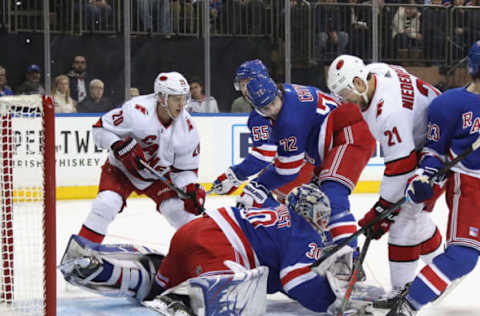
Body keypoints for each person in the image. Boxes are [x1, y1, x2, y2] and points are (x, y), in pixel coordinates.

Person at [60, 184, 383, 315]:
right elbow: (295, 281)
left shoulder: (279, 209)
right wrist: (333, 302)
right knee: (240, 293)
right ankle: (183, 300)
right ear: (308, 214)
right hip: (220, 250)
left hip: (193, 231)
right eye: (320, 216)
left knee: (155, 283)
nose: (323, 223)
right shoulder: (304, 233)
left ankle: (103, 268)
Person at [327, 54, 444, 305]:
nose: (344, 101)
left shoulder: (387, 111)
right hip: (432, 139)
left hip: (438, 149)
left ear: (359, 83)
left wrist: (382, 211)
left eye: (345, 94)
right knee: (415, 216)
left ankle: (400, 294)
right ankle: (442, 269)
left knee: (403, 221)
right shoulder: (375, 71)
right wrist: (383, 210)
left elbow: (402, 166)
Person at [218, 66, 376, 249]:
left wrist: (257, 185)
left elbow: (287, 170)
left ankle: (349, 257)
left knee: (332, 196)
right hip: (329, 146)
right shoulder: (286, 92)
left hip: (348, 134)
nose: (271, 109)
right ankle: (326, 248)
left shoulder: (289, 120)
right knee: (307, 205)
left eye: (272, 103)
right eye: (265, 108)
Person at [385, 41, 480, 316]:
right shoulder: (449, 104)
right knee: (462, 257)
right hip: (472, 185)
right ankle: (408, 304)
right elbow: (434, 150)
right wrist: (423, 176)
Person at [76, 72, 205, 244]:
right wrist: (117, 146)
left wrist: (190, 188)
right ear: (162, 98)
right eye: (176, 99)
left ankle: (200, 258)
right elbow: (100, 129)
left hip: (158, 176)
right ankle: (81, 255)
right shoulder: (136, 110)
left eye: (184, 98)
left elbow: (185, 170)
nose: (181, 104)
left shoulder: (188, 128)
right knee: (106, 204)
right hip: (122, 170)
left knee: (179, 213)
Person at [212, 59, 315, 206]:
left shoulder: (259, 116)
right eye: (241, 85)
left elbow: (263, 155)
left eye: (247, 83)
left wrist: (233, 176)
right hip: (314, 168)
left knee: (249, 202)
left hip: (297, 172)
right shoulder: (290, 94)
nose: (244, 90)